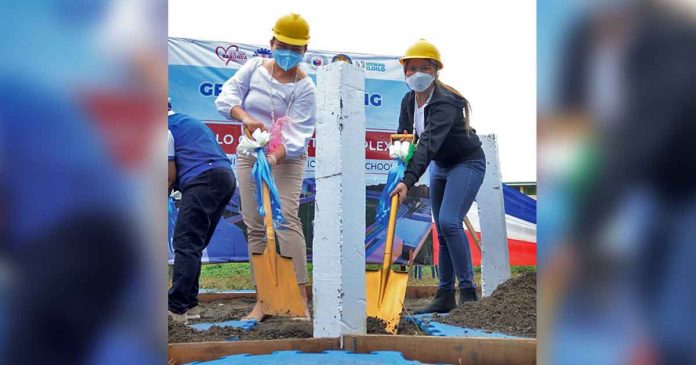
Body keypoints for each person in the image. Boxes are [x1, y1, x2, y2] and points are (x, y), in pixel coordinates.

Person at [215, 13, 316, 321]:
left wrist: (270, 160)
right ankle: (264, 300)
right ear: (272, 43)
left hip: (285, 158)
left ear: (304, 51)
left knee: (286, 219)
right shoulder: (253, 69)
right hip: (249, 153)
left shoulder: (306, 88)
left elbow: (298, 137)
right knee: (255, 224)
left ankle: (300, 298)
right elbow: (226, 98)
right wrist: (245, 119)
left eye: (296, 49)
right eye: (283, 45)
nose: (289, 53)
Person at [389, 39, 486, 314]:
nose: (417, 73)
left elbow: (427, 144)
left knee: (449, 221)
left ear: (435, 71)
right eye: (412, 68)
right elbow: (406, 141)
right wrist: (399, 165)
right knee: (441, 230)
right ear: (405, 72)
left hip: (466, 163)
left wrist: (408, 182)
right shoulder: (409, 101)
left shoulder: (445, 103)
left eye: (424, 68)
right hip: (441, 167)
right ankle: (445, 295)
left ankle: (468, 294)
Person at [168, 100, 237, 323]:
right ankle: (191, 304)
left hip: (202, 180)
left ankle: (175, 309)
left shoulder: (163, 129)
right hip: (224, 177)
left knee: (185, 244)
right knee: (194, 245)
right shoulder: (188, 122)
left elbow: (168, 174)